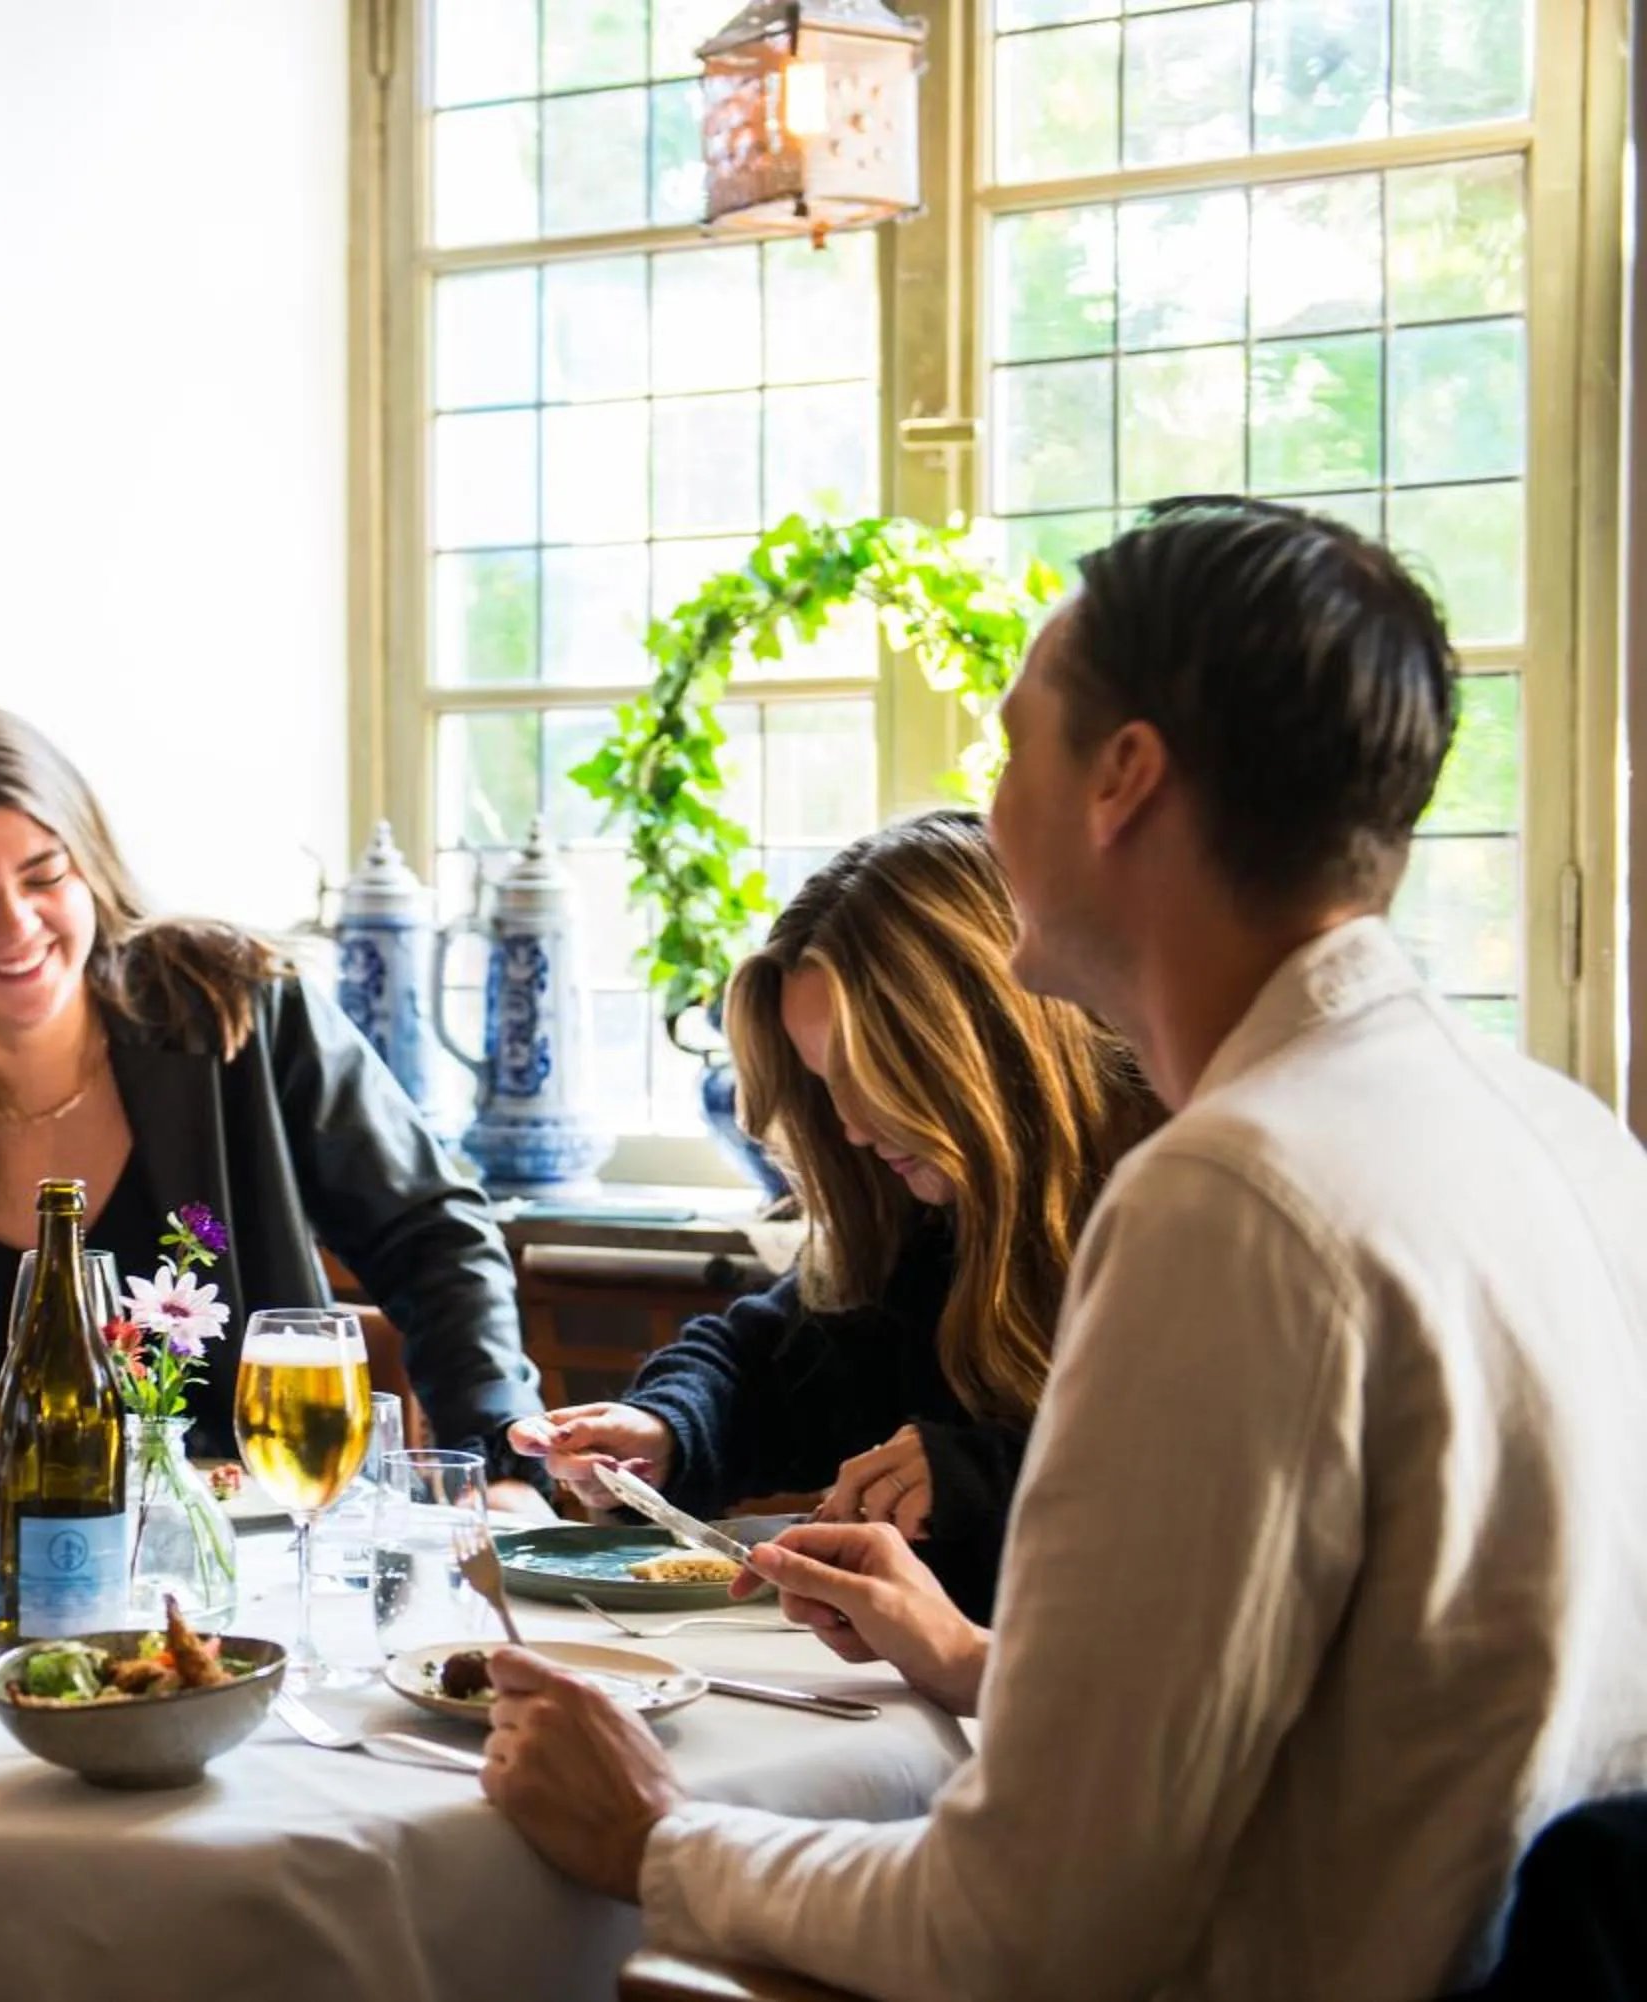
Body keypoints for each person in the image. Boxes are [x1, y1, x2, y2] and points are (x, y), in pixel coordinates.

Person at [479, 499, 1647, 2000]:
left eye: (1008, 748)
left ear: (1123, 778)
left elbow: (1022, 1929)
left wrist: (657, 1836)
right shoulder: (1570, 1135)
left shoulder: (1231, 1197)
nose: (987, 800)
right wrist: (977, 1667)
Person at [0, 701, 549, 1500]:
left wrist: (503, 1458)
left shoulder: (233, 1010)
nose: (18, 923)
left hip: (258, 1553)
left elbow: (434, 1235)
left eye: (44, 875)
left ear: (88, 863)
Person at [508, 809, 1160, 1617]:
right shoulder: (923, 1219)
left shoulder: (1181, 1197)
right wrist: (664, 1429)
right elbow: (764, 1363)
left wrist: (986, 1476)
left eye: (869, 1071)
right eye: (825, 1081)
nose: (849, 1126)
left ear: (979, 1045)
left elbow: (1207, 1485)